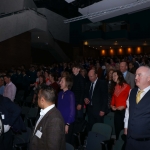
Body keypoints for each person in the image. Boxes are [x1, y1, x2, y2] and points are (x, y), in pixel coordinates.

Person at [30, 85, 65, 150]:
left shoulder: (55, 120)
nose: (37, 100)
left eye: (38, 97)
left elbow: (53, 147)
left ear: (42, 100)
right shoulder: (45, 112)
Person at [124, 66, 150, 150]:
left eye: (139, 75)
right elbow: (128, 111)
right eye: (135, 75)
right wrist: (126, 126)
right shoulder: (132, 91)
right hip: (130, 141)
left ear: (148, 78)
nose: (135, 78)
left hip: (146, 143)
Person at [110, 70, 130, 140]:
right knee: (117, 130)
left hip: (125, 112)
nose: (113, 77)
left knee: (124, 131)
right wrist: (112, 106)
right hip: (117, 112)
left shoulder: (127, 86)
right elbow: (113, 99)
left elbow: (130, 99)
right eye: (112, 76)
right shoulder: (114, 87)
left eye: (115, 75)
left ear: (120, 76)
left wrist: (124, 106)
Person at [57, 75, 75, 144]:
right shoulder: (60, 93)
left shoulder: (70, 94)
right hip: (60, 122)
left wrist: (67, 124)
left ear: (67, 83)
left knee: (66, 143)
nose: (60, 83)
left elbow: (72, 111)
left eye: (62, 81)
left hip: (67, 123)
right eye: (60, 81)